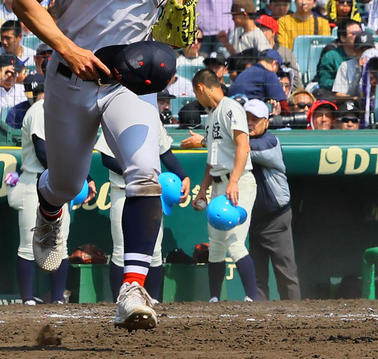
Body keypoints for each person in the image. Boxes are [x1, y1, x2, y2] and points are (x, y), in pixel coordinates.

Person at [13, 0, 198, 330]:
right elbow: (25, 0)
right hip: (72, 79)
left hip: (127, 80)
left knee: (144, 174)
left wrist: (181, 6)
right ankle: (49, 205)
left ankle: (132, 289)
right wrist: (67, 48)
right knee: (68, 182)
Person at [95, 109, 188, 301]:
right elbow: (106, 158)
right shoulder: (116, 113)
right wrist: (136, 171)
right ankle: (119, 300)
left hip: (149, 193)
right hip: (123, 190)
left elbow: (166, 152)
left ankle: (153, 300)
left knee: (154, 250)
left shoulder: (151, 114)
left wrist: (183, 175)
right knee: (121, 249)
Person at [193, 71, 262, 303]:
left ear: (201, 88)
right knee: (216, 243)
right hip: (218, 183)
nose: (197, 98)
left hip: (238, 182)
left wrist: (233, 181)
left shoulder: (231, 107)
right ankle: (214, 298)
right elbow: (211, 161)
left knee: (234, 240)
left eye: (196, 93)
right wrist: (203, 189)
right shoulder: (212, 115)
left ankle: (252, 298)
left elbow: (243, 146)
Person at [13, 99, 89, 305]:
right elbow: (42, 151)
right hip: (35, 181)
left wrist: (85, 177)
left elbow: (73, 151)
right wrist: (70, 175)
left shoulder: (66, 109)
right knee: (28, 245)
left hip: (57, 181)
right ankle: (27, 299)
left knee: (60, 242)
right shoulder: (40, 109)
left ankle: (57, 298)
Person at [248, 101, 301, 300]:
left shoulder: (269, 141)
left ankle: (296, 319)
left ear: (266, 122)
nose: (250, 124)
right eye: (246, 120)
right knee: (256, 278)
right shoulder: (240, 140)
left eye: (255, 119)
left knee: (286, 273)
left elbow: (243, 149)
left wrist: (206, 141)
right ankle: (260, 322)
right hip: (252, 220)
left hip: (275, 219)